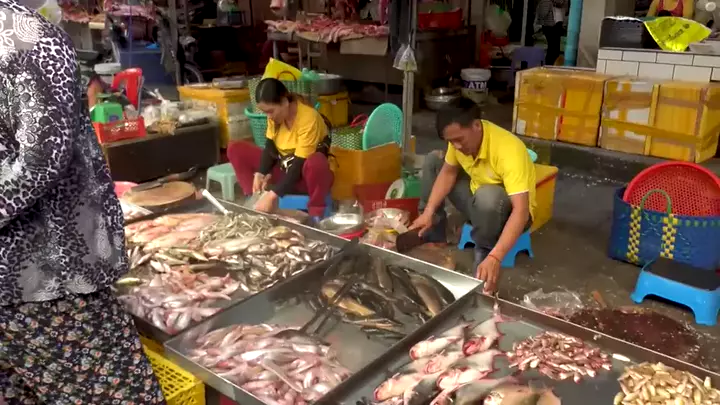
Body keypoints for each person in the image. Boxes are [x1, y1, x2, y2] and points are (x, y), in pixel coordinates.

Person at [0, 1, 166, 403]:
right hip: (36, 279)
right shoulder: (24, 38)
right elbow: (40, 161)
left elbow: (38, 158)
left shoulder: (23, 38)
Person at [410, 100, 536, 293]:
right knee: (434, 161)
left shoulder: (509, 150)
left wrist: (496, 257)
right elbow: (448, 173)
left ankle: (485, 253)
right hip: (479, 202)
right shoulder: (458, 143)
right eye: (451, 142)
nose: (456, 146)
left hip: (510, 214)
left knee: (488, 196)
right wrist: (428, 211)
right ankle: (434, 236)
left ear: (476, 125)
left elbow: (521, 211)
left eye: (459, 139)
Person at [227, 78, 334, 217]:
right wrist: (260, 173)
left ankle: (316, 214)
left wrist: (273, 194)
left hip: (306, 179)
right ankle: (254, 202)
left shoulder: (308, 118)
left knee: (316, 162)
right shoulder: (275, 118)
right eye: (265, 112)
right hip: (285, 170)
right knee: (235, 148)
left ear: (284, 102)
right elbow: (270, 149)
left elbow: (299, 164)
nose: (268, 117)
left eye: (271, 111)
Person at [535, 0, 567, 66]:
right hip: (550, 24)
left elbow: (561, 3)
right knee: (553, 48)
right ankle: (549, 65)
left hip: (557, 22)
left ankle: (550, 65)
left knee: (554, 48)